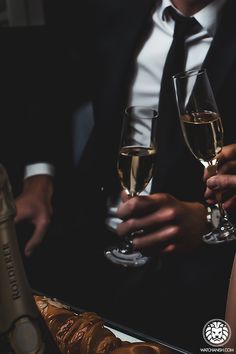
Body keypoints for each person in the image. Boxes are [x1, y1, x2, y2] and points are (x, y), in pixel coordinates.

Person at [12, 0, 236, 351]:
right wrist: (39, 177)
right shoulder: (109, 9)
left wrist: (211, 221)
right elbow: (50, 81)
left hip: (199, 271)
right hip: (91, 242)